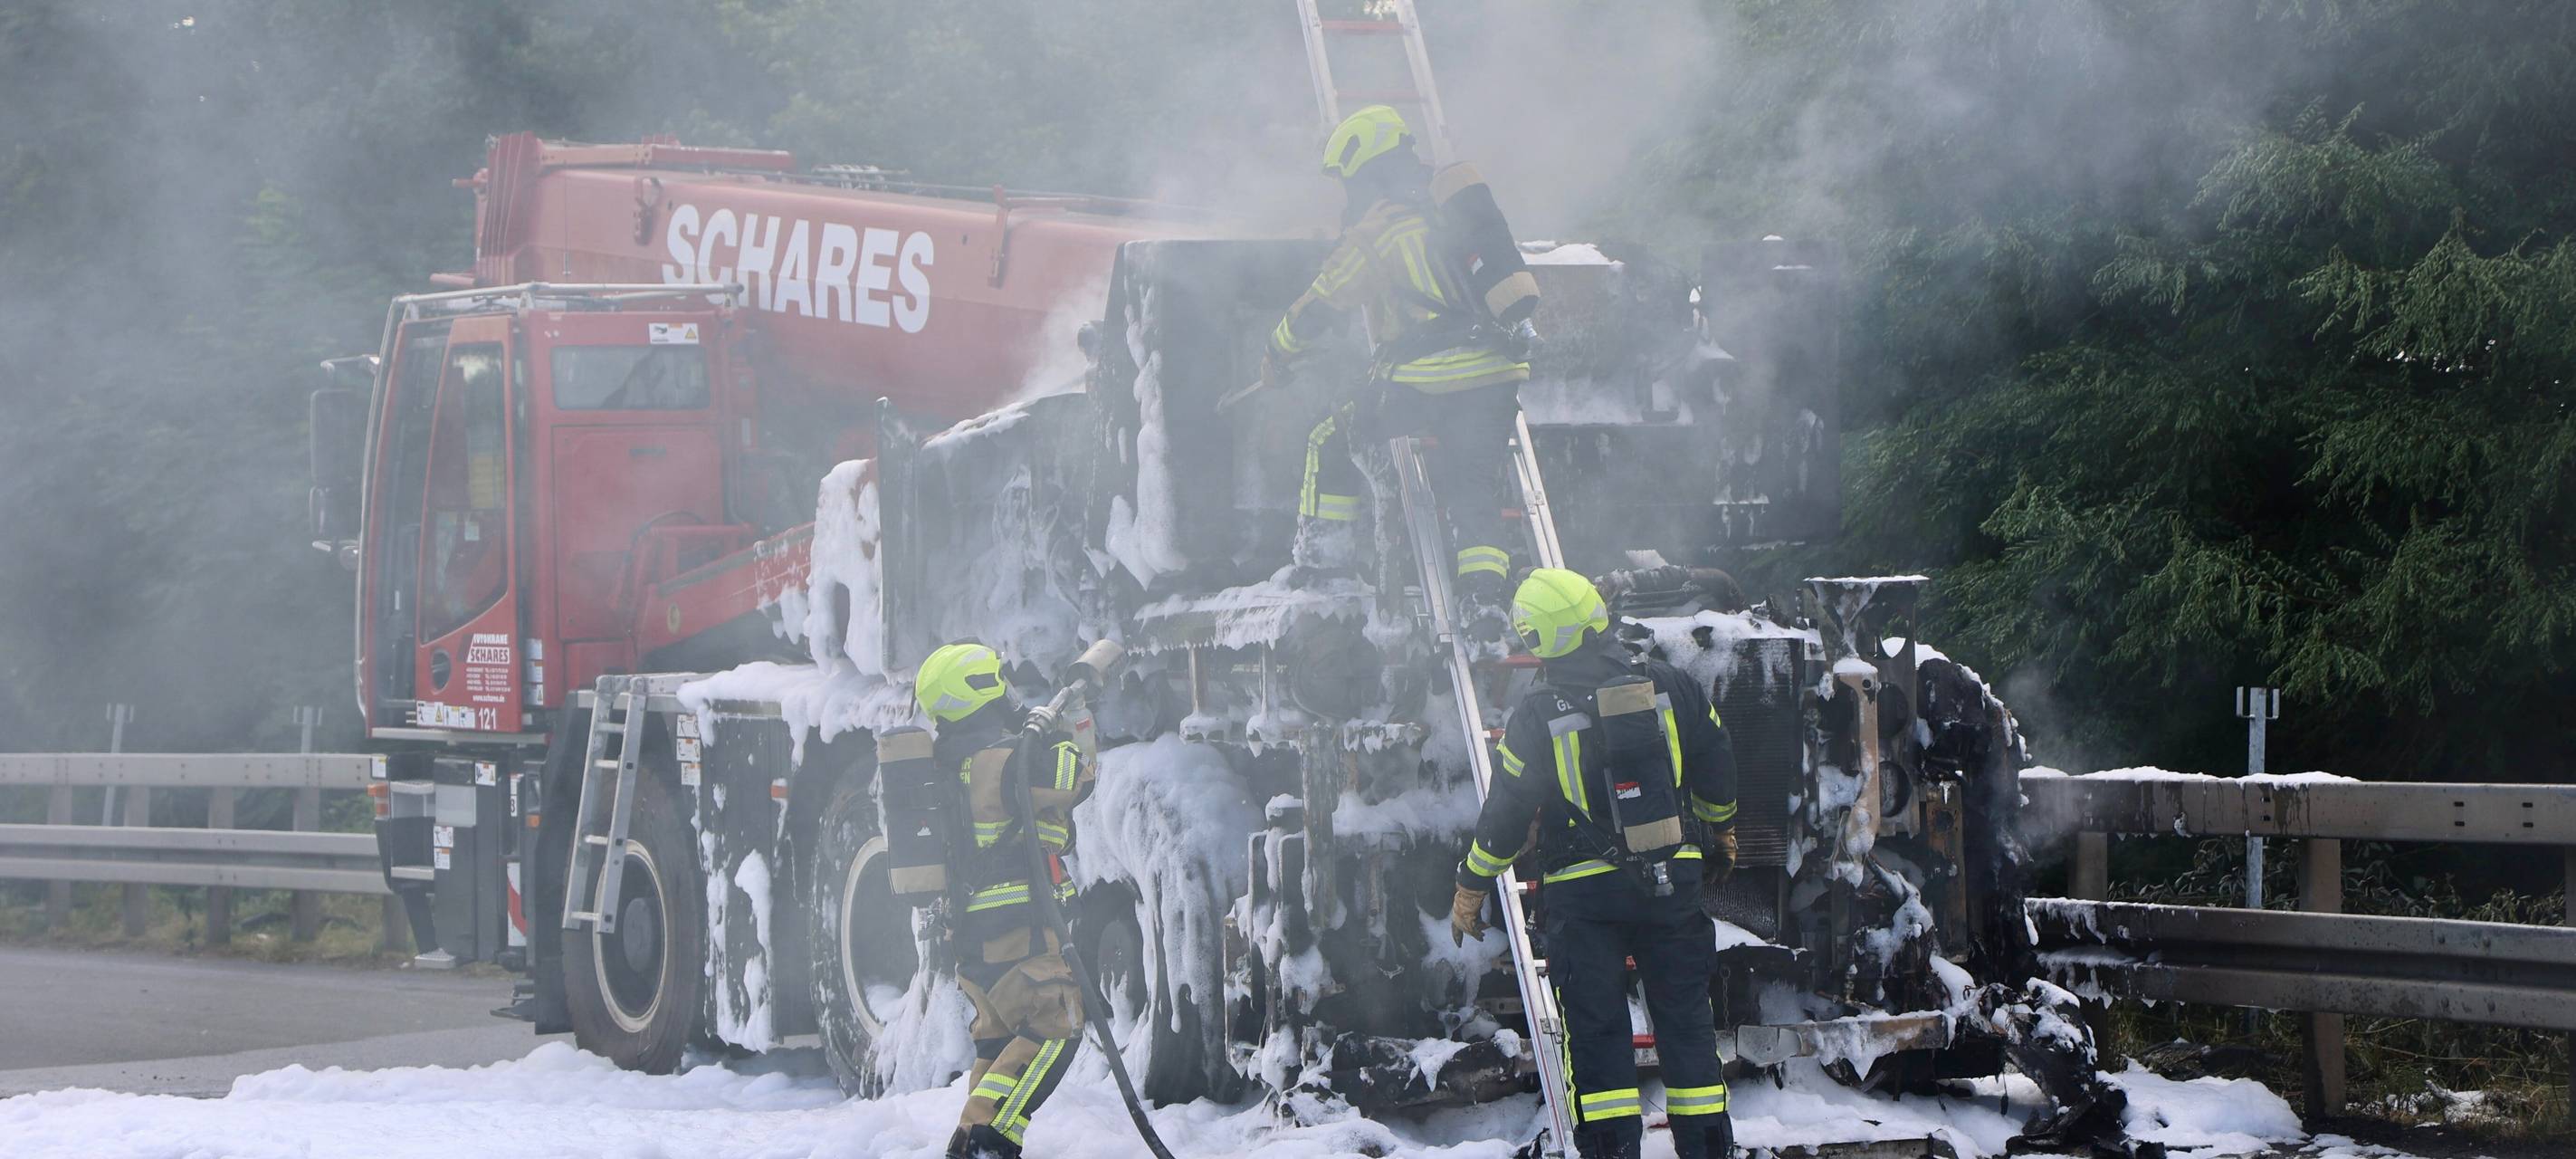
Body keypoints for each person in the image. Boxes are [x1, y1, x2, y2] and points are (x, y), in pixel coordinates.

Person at [1449, 569, 1741, 1159]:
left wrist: (1472, 884)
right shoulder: (1671, 685)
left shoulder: (1536, 715)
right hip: (1672, 884)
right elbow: (1716, 760)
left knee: (1598, 1036)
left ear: (1538, 640)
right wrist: (1723, 829)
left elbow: (1507, 811)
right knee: (1687, 1029)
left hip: (1584, 902)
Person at [1264, 104, 1540, 631]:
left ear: (1366, 170)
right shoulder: (1458, 209)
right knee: (1472, 482)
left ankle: (1323, 564)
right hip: (1495, 378)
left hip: (1424, 383)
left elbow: (1324, 301)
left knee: (1329, 435)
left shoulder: (1382, 228)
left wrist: (1277, 352)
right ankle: (1484, 597)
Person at [915, 641, 1098, 1159]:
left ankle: (968, 1143)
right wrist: (1075, 717)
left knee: (998, 1046)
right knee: (1056, 1028)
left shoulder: (950, 764)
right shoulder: (1012, 758)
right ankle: (987, 1143)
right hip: (1018, 932)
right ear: (982, 689)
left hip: (973, 943)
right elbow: (1080, 774)